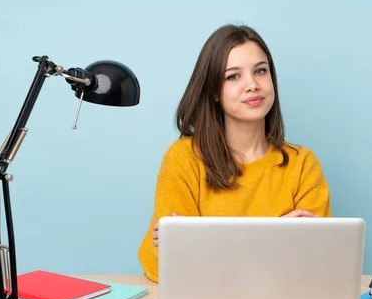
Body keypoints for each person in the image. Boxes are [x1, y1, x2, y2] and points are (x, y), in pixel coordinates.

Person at [138, 24, 331, 282]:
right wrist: (275, 241)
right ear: (214, 92)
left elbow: (315, 266)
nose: (252, 85)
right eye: (233, 76)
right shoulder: (183, 158)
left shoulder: (302, 164)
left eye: (260, 71)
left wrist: (205, 246)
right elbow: (170, 266)